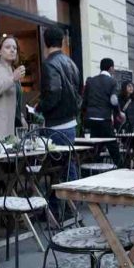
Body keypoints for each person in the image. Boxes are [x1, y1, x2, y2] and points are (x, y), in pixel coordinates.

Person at [39, 25, 81, 179]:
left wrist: (40, 107)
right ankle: (70, 193)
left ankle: (68, 194)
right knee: (67, 165)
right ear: (62, 42)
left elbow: (53, 93)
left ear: (45, 42)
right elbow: (77, 92)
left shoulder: (49, 63)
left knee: (61, 169)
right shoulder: (71, 63)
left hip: (57, 125)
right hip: (70, 122)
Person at [83, 58, 124, 167]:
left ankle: (90, 172)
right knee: (112, 146)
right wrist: (118, 113)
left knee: (94, 148)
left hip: (90, 120)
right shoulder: (112, 82)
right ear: (111, 68)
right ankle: (121, 168)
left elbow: (84, 101)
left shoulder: (90, 81)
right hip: (104, 119)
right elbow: (113, 100)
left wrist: (85, 116)